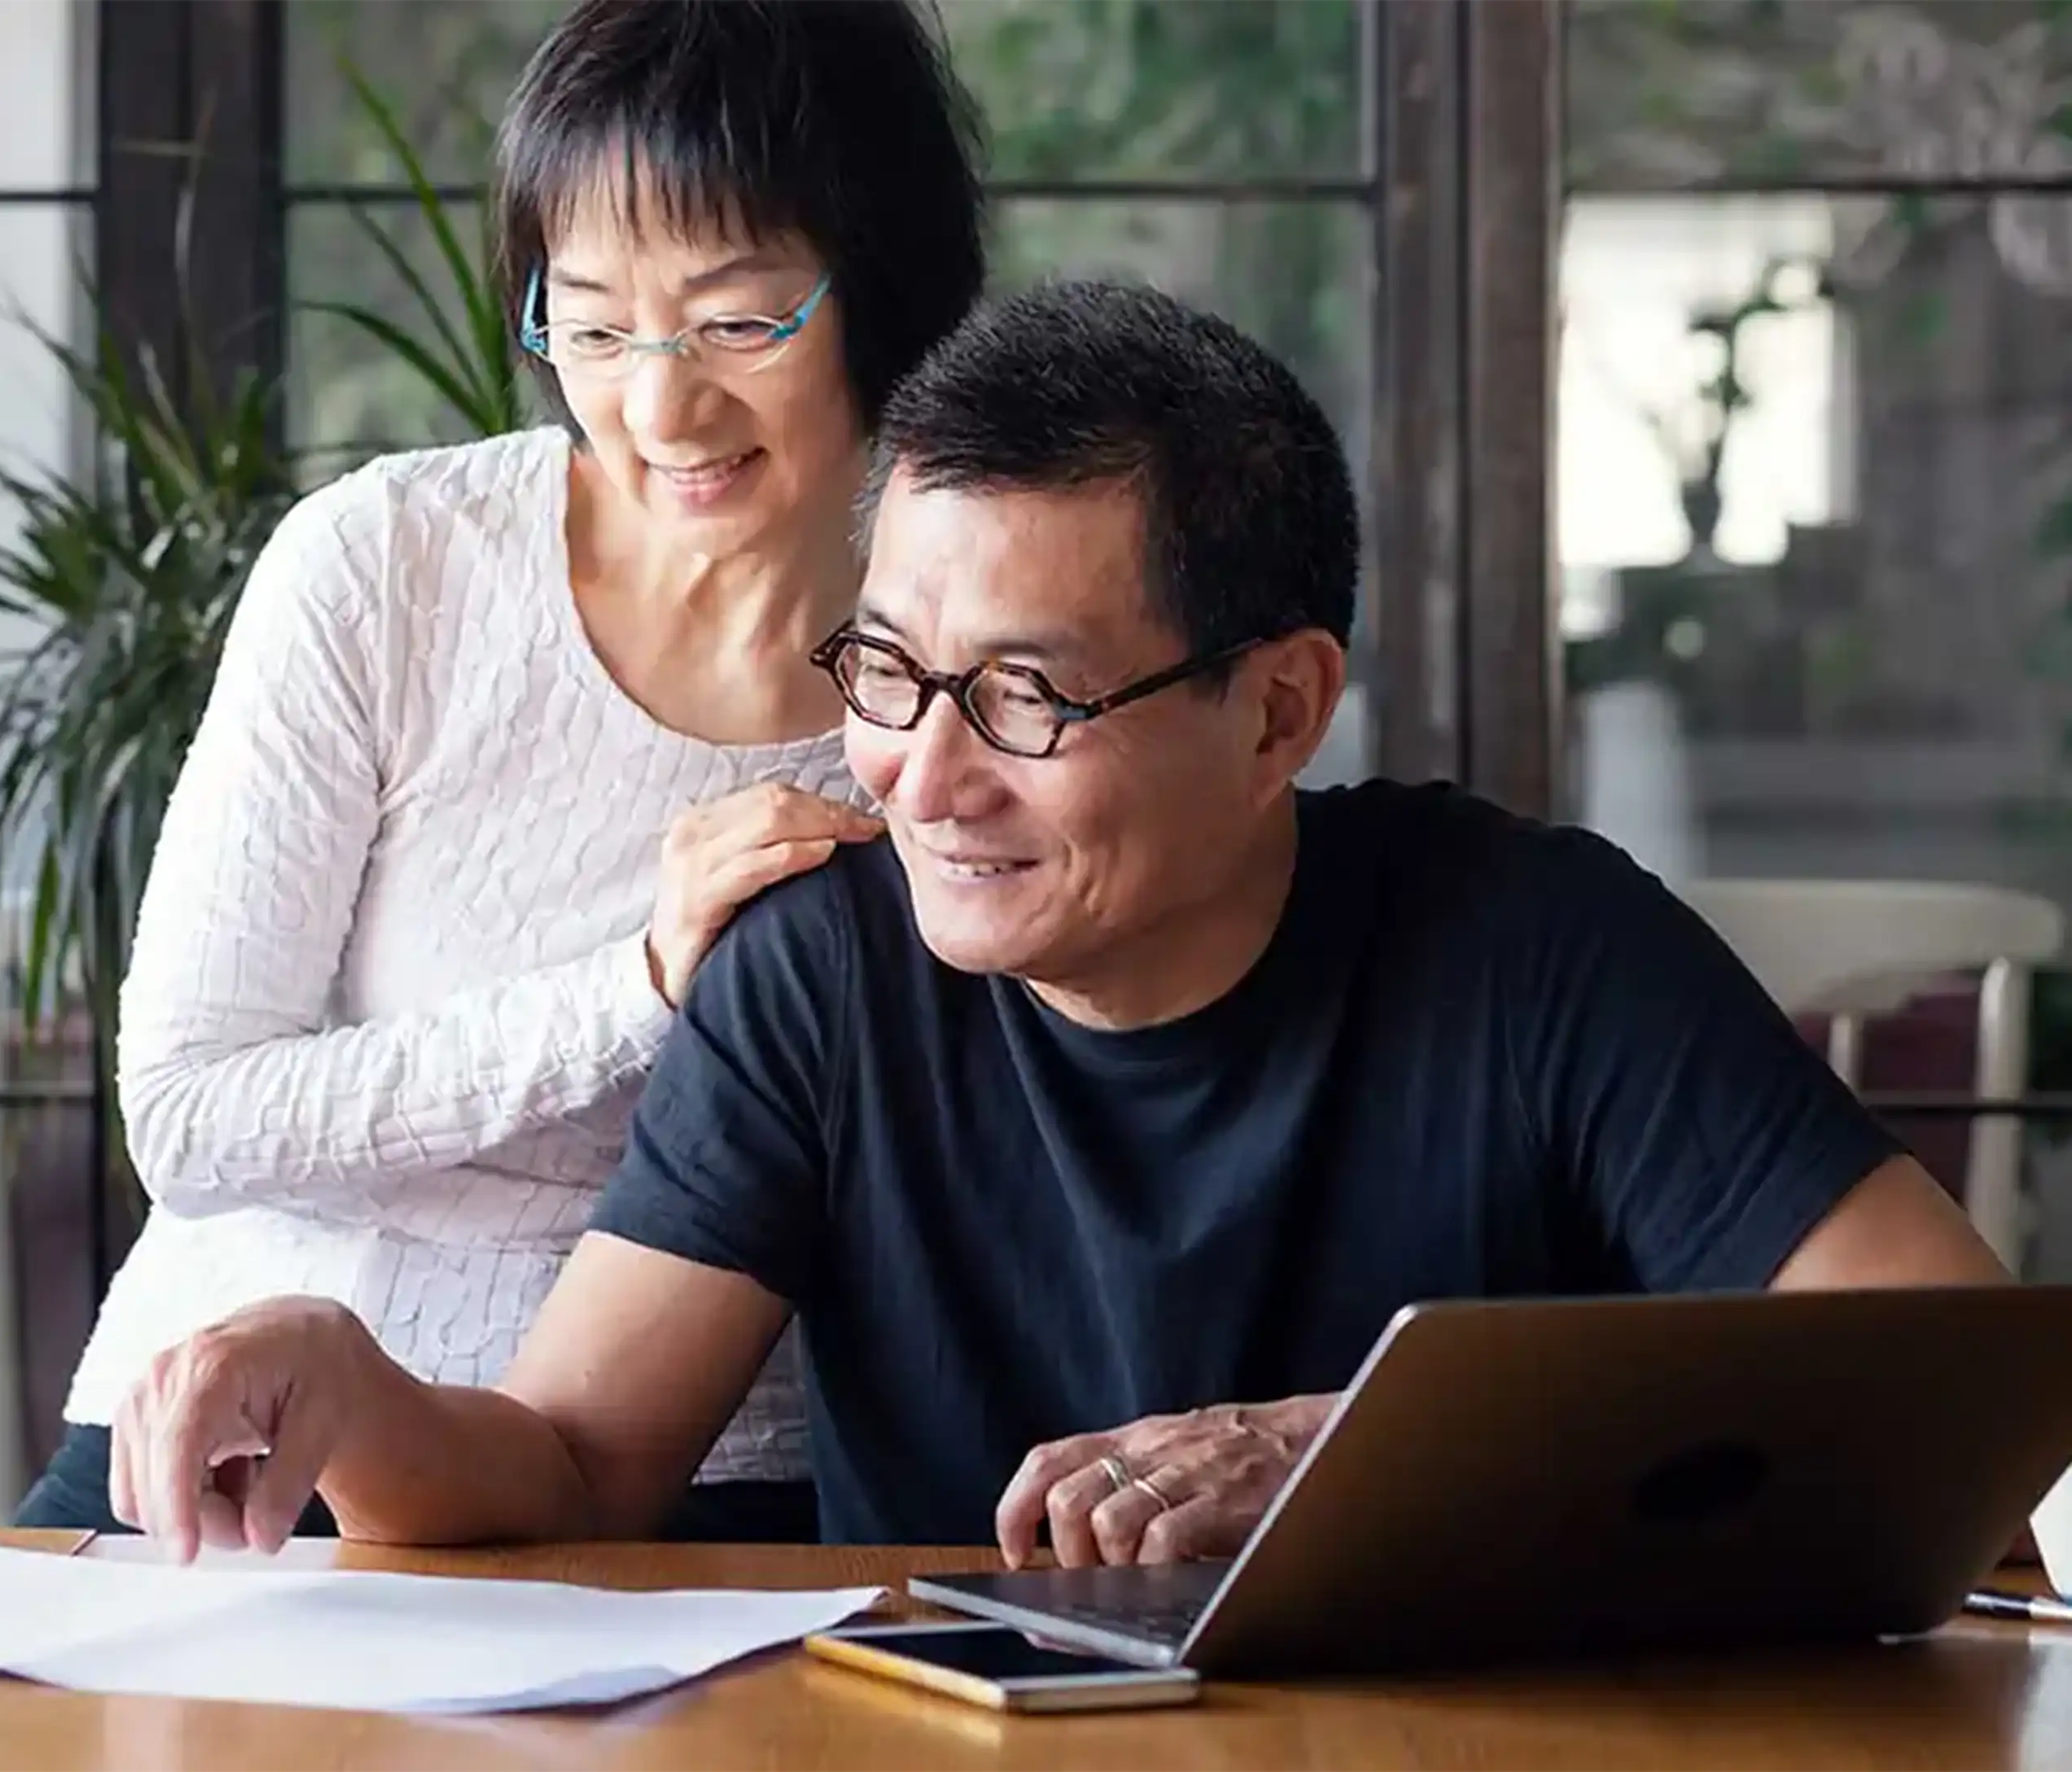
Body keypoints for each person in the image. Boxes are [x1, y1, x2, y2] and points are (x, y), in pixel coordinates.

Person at [103, 280, 2015, 1564]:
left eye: (1025, 698)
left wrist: (1352, 1458)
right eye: (886, 671)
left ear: (1279, 707)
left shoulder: (1532, 945)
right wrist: (352, 1389)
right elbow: (580, 1466)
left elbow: (1953, 1390)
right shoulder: (821, 979)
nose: (921, 778)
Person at [11, 0, 992, 1542]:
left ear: (879, 290)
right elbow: (191, 1114)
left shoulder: (964, 665)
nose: (658, 406)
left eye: (736, 320)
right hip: (243, 1431)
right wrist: (639, 984)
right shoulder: (393, 562)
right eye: (592, 325)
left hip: (698, 1475)